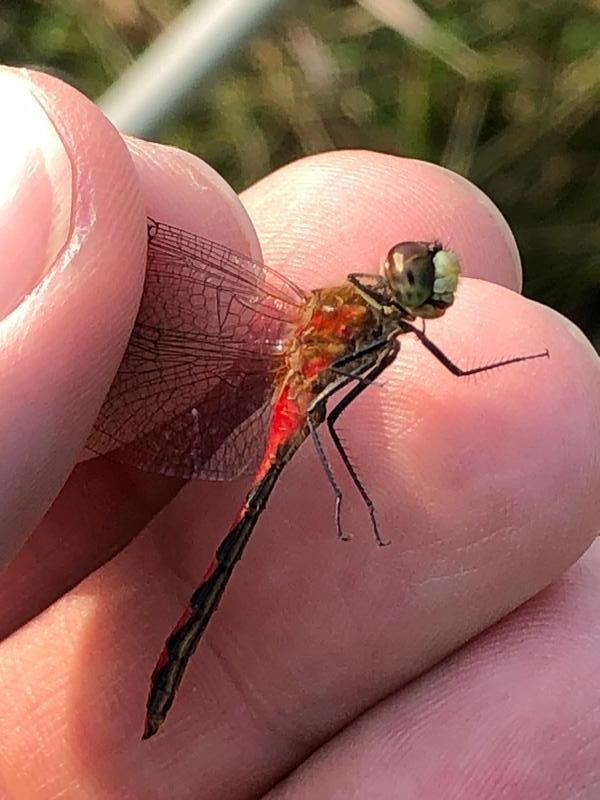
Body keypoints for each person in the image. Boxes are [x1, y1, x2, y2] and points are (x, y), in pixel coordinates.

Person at [0, 65, 599, 799]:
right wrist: (358, 495)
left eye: (427, 277)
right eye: (423, 279)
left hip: (296, 385)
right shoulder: (364, 329)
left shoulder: (362, 316)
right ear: (401, 289)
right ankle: (167, 679)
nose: (434, 284)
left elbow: (340, 413)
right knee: (235, 545)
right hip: (290, 393)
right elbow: (394, 398)